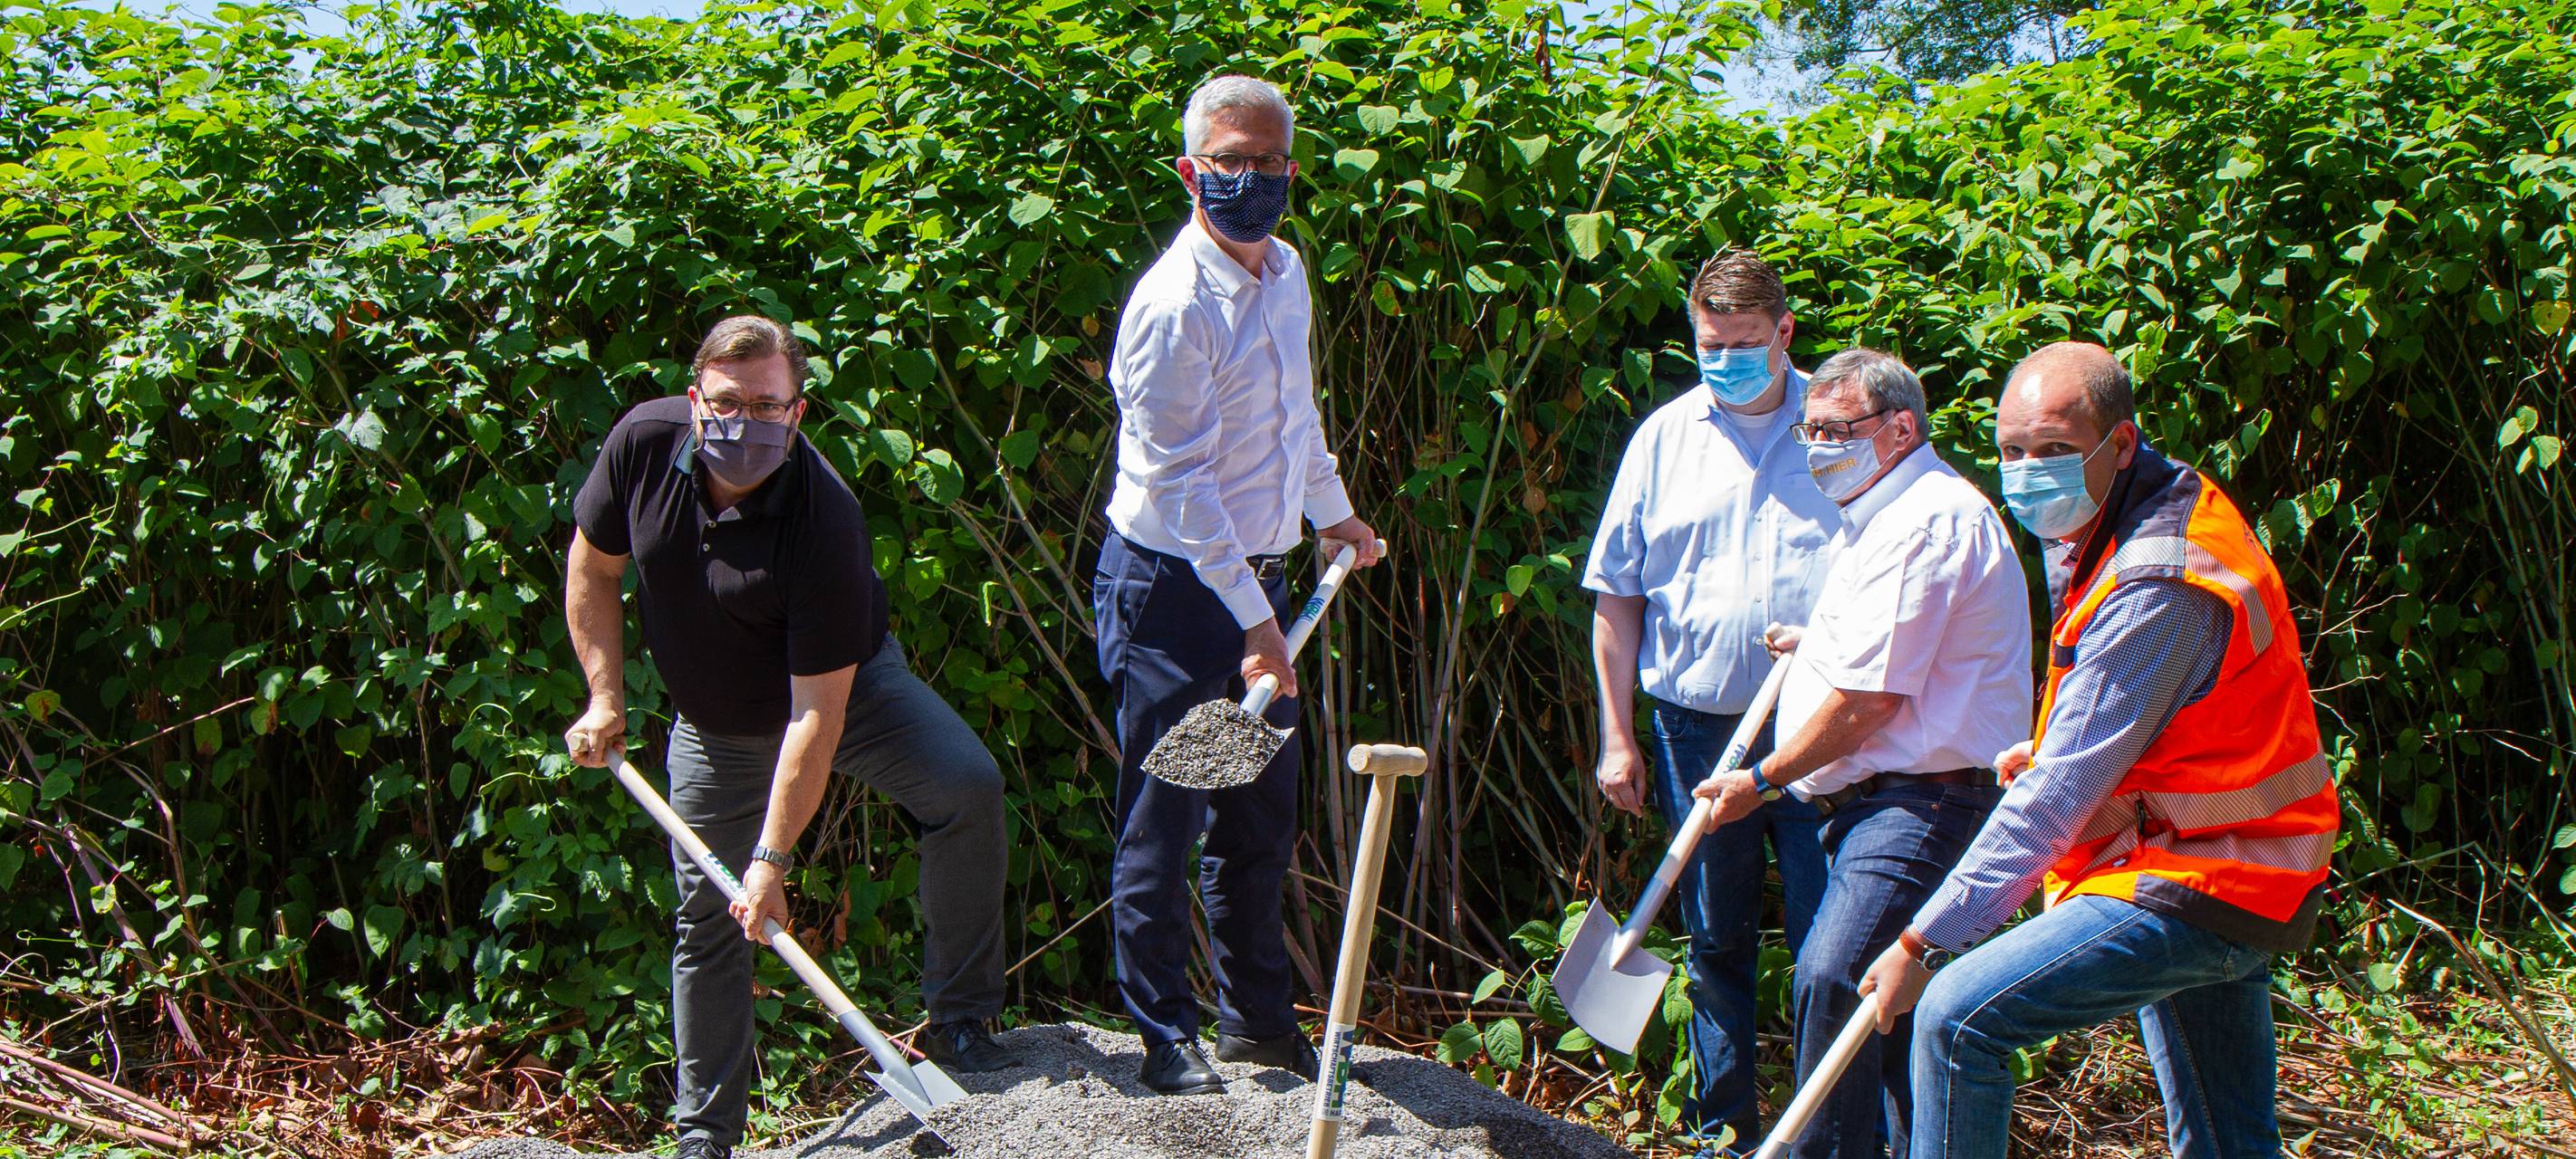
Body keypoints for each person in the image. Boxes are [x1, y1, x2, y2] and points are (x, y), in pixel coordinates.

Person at [1856, 341, 2338, 1159]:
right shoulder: (2132, 507)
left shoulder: (2159, 574)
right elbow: (2137, 718)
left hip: (2206, 878)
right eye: (2011, 451)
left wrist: (1924, 942)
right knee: (2227, 1140)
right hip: (2218, 861)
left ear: (2119, 443)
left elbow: (2056, 800)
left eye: (2052, 451)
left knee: (1955, 1016)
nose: (2027, 470)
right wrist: (2045, 749)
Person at [561, 316, 1018, 1159]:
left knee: (966, 787)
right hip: (716, 722)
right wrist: (603, 696)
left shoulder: (825, 520)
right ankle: (705, 1136)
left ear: (797, 413)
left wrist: (770, 863)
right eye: (728, 403)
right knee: (708, 918)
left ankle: (960, 1024)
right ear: (696, 400)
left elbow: (816, 716)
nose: (746, 422)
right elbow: (593, 566)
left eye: (767, 406)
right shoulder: (642, 444)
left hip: (844, 689)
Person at [1094, 72, 1385, 1097]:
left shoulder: (1285, 273)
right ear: (1190, 170)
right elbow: (1179, 490)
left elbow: (1294, 416)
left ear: (1290, 170)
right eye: (1229, 162)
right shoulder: (1173, 309)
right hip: (1173, 595)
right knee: (1167, 812)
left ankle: (1256, 1022)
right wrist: (1260, 623)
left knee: (1257, 808)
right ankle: (1162, 1031)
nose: (1249, 179)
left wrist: (1333, 512)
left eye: (1267, 163)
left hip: (1255, 587)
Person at [1694, 350, 2032, 1159]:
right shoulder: (1881, 516)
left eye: (1835, 429)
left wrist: (1763, 779)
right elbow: (1894, 651)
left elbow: (1870, 699)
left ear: (1900, 427)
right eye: (1809, 428)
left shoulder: (1926, 520)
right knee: (1896, 1015)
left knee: (1836, 980)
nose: (1816, 446)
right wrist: (1816, 648)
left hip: (1922, 799)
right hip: (1882, 801)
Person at [1580, 246, 1840, 1148]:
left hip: (1823, 729)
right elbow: (1617, 598)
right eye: (1709, 342)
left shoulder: (1842, 427)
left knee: (1829, 947)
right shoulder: (1664, 438)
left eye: (1744, 341)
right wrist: (1619, 736)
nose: (1725, 357)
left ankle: (1828, 1132)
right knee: (1715, 938)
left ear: (1785, 334)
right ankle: (1719, 1130)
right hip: (1695, 729)